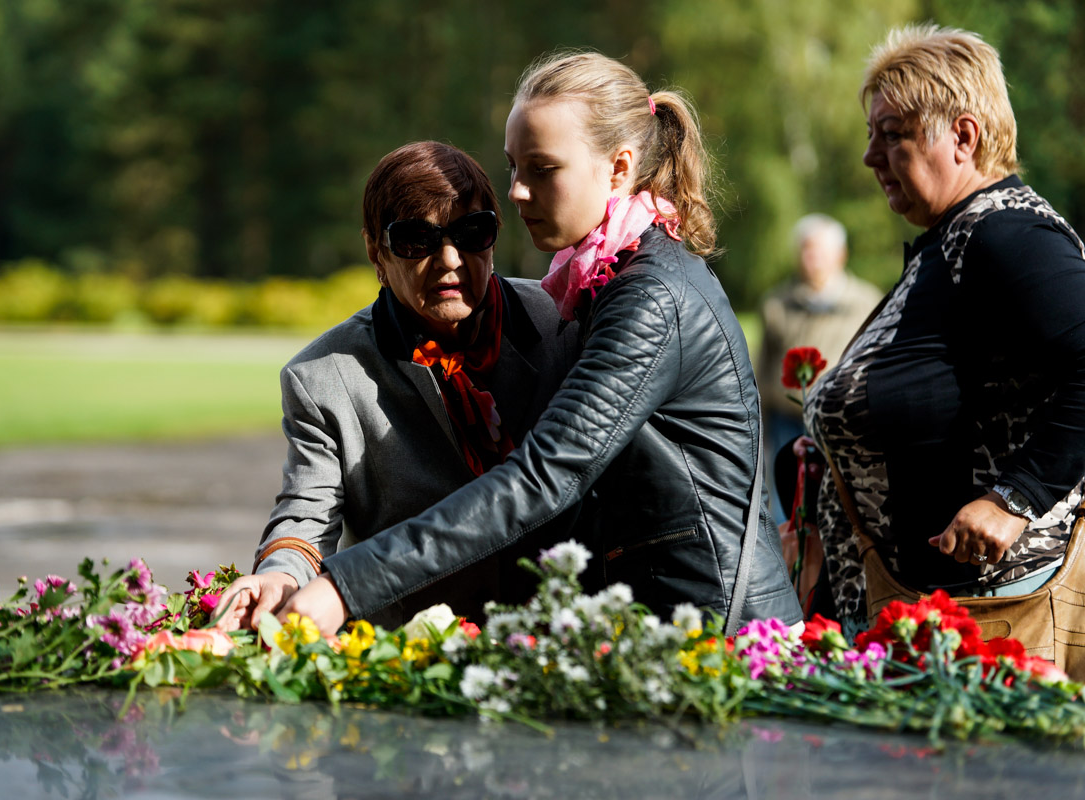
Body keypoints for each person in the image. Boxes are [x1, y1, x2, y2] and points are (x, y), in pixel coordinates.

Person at [282, 51, 802, 635]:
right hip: (672, 625)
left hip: (721, 636)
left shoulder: (649, 296)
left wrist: (344, 585)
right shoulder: (610, 281)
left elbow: (545, 474)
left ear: (619, 168)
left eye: (542, 169)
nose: (518, 193)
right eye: (513, 168)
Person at [212, 141, 582, 631]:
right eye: (416, 240)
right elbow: (307, 512)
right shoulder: (322, 377)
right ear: (375, 252)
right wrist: (281, 576)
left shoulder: (566, 322)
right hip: (410, 656)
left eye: (472, 232)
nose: (450, 259)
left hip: (567, 642)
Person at [804, 24, 1085, 629]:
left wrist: (1016, 498)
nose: (870, 156)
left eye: (893, 135)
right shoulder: (954, 237)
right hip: (928, 608)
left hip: (997, 611)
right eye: (871, 135)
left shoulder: (1009, 234)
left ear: (963, 135)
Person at [757, 214, 882, 522]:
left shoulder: (866, 303)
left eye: (819, 250)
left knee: (839, 506)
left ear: (841, 254)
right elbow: (762, 368)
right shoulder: (777, 303)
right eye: (805, 249)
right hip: (787, 421)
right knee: (787, 507)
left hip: (844, 424)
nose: (810, 258)